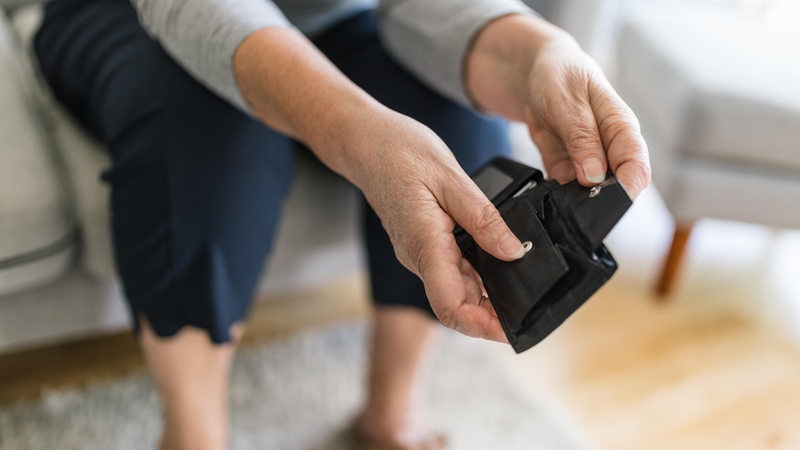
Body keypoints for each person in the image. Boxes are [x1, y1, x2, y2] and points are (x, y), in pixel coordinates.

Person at [33, 0, 650, 449]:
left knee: (464, 128)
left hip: (331, 16)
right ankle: (194, 436)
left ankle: (392, 412)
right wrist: (356, 134)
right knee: (212, 143)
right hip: (137, 13)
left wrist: (544, 51)